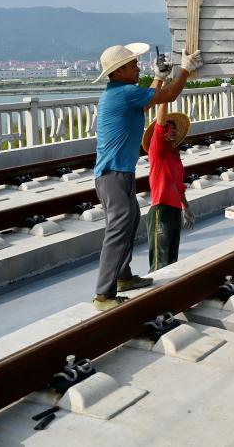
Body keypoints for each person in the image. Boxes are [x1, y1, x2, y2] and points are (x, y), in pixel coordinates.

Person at [91, 44, 202, 311]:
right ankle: (103, 295)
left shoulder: (120, 94)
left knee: (128, 224)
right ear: (118, 72)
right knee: (118, 230)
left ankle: (123, 277)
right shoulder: (124, 93)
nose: (138, 68)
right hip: (112, 174)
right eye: (133, 66)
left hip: (118, 174)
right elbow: (169, 96)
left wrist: (159, 76)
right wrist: (184, 70)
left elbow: (151, 98)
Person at [143, 99, 192, 272]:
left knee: (172, 261)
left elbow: (179, 186)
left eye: (174, 128)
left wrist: (186, 207)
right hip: (160, 212)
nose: (172, 131)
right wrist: (166, 97)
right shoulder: (156, 152)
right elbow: (159, 125)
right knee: (159, 261)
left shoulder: (174, 155)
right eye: (168, 128)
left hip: (175, 212)